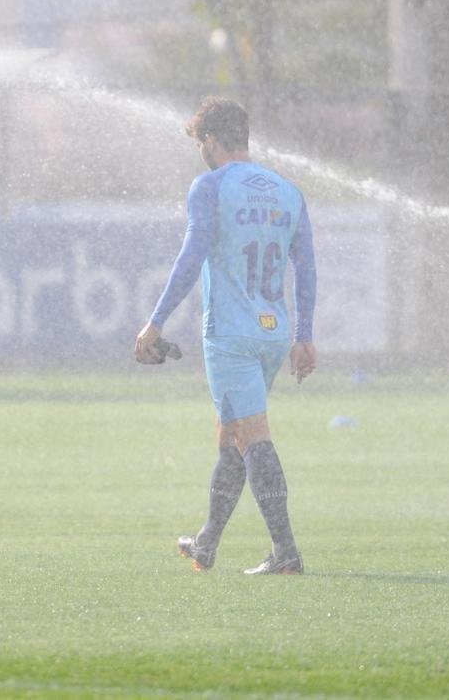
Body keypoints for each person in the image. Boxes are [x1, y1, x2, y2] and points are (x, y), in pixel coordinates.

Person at [135, 97, 316, 575]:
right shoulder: (288, 190)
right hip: (273, 334)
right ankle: (207, 542)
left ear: (211, 141)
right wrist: (305, 335)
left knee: (252, 435)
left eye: (201, 144)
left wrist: (155, 321)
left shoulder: (210, 187)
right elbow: (307, 268)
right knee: (231, 436)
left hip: (230, 334)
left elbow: (190, 259)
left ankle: (286, 552)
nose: (201, 152)